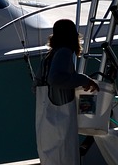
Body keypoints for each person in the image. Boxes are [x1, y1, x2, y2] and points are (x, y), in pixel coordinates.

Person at [34, 18, 99, 165]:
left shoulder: (49, 56)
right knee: (65, 154)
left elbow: (37, 85)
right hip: (61, 117)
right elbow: (55, 79)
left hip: (45, 117)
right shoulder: (64, 52)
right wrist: (84, 80)